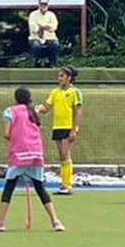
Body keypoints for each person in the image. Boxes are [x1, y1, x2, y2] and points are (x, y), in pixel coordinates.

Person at [0, 87, 65, 233]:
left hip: (19, 154)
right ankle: (56, 221)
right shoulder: (33, 111)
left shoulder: (10, 111)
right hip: (36, 152)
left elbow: (7, 133)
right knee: (40, 187)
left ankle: (0, 222)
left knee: (9, 186)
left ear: (16, 98)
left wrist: (15, 139)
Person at [37, 64, 83, 195]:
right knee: (61, 156)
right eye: (59, 76)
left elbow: (78, 111)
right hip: (57, 127)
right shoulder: (55, 92)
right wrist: (36, 109)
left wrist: (75, 129)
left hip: (67, 127)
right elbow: (46, 108)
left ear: (69, 78)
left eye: (62, 76)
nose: (59, 78)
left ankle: (67, 185)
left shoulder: (75, 92)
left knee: (65, 154)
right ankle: (64, 184)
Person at [27, 0, 60, 67]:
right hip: (35, 38)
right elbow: (33, 28)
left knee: (55, 44)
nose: (43, 6)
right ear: (39, 4)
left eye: (45, 4)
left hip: (50, 37)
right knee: (36, 46)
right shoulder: (33, 15)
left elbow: (54, 27)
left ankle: (52, 63)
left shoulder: (52, 15)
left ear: (48, 5)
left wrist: (41, 26)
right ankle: (37, 62)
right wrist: (45, 27)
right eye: (42, 4)